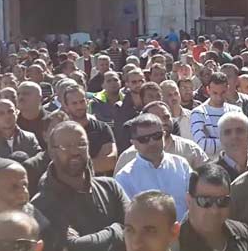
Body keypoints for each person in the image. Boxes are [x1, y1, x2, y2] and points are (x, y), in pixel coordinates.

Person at [32, 121, 128, 251]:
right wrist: (116, 229)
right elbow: (71, 247)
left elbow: (134, 228)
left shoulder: (110, 187)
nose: (75, 151)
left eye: (81, 144)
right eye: (66, 146)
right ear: (51, 151)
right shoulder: (41, 204)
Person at [115, 113, 191, 219]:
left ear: (164, 135)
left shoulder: (181, 164)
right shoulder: (124, 178)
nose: (152, 142)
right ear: (134, 144)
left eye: (156, 136)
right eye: (144, 139)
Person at [114, 101, 207, 173]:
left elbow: (208, 177)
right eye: (156, 118)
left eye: (166, 117)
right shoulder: (129, 156)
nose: (163, 122)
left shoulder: (190, 149)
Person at [179, 163, 248, 251]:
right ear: (189, 201)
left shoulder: (242, 234)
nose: (214, 210)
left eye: (222, 201)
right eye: (205, 201)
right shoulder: (171, 244)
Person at [61, 84, 117, 175]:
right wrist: (97, 162)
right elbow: (60, 165)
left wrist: (76, 166)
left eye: (82, 101)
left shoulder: (102, 128)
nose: (79, 106)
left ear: (87, 102)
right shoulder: (61, 132)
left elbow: (110, 161)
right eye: (74, 103)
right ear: (66, 107)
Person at [190, 72, 242, 157]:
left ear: (227, 88)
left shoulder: (236, 111)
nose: (219, 97)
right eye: (215, 93)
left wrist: (213, 141)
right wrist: (231, 141)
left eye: (222, 93)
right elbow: (202, 145)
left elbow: (244, 140)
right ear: (208, 90)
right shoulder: (198, 113)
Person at [213, 111, 248, 181]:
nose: (234, 136)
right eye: (227, 132)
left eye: (240, 131)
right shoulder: (210, 175)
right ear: (220, 138)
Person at [16, 81, 48, 149]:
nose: (20, 97)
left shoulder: (52, 121)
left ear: (39, 98)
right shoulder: (12, 123)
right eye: (18, 94)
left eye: (26, 94)